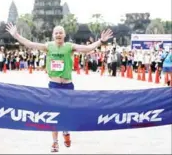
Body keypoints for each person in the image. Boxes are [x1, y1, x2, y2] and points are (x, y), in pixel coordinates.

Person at [6, 22, 113, 153]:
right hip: (54, 86)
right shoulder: (48, 47)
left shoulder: (69, 47)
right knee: (54, 114)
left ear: (64, 35)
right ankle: (55, 142)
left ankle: (66, 130)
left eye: (60, 32)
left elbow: (87, 49)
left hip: (68, 85)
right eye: (56, 32)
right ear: (53, 35)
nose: (58, 34)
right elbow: (30, 44)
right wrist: (16, 35)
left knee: (67, 113)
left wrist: (101, 41)